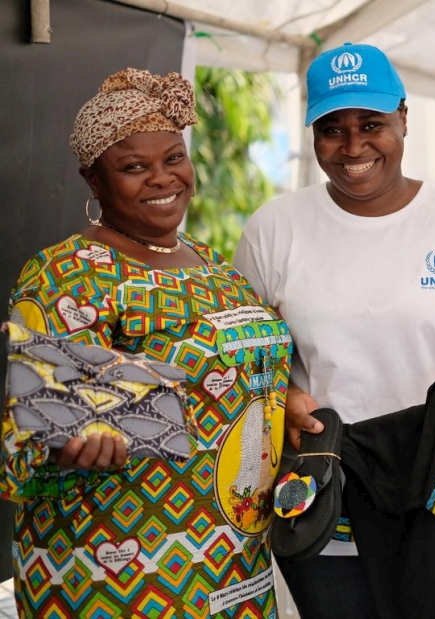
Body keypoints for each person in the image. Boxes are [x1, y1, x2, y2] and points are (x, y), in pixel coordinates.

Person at [232, 43, 435, 618]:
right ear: (313, 134)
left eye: (371, 124)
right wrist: (285, 397)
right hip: (325, 498)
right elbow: (245, 361)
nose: (353, 147)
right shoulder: (275, 229)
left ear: (403, 117)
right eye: (332, 128)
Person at [2, 69, 291, 618]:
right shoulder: (67, 272)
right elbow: (42, 423)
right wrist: (78, 435)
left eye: (174, 158)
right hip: (119, 570)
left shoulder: (218, 268)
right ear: (93, 180)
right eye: (134, 167)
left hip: (235, 563)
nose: (163, 179)